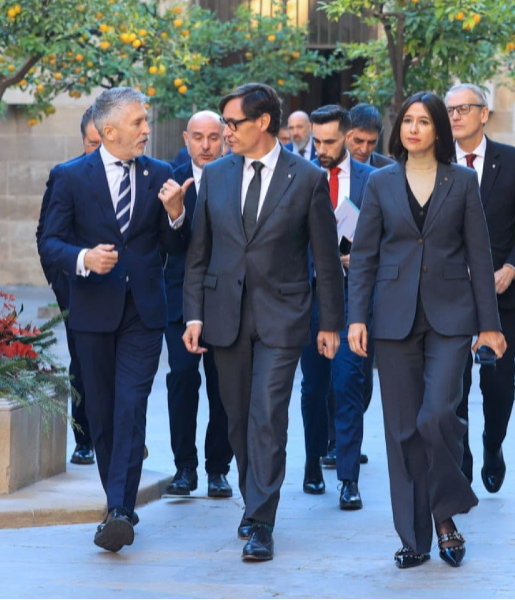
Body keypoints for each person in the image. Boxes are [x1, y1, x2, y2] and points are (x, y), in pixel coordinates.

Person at [183, 83, 344, 562]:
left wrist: (330, 322)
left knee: (268, 415)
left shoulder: (308, 178)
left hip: (283, 315)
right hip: (225, 316)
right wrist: (193, 314)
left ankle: (261, 519)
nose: (225, 131)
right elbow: (198, 254)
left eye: (232, 124)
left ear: (263, 123)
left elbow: (325, 259)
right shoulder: (215, 177)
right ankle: (256, 496)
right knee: (237, 418)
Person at [347, 91, 506, 569]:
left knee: (437, 416)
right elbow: (366, 257)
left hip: (451, 317)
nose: (413, 128)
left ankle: (446, 513)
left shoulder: (462, 181)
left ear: (439, 129)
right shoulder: (379, 182)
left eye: (423, 121)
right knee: (401, 432)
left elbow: (480, 256)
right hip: (393, 319)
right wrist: (357, 316)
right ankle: (416, 537)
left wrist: (489, 327)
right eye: (407, 121)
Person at [39, 87, 190, 553]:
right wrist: (84, 257)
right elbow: (49, 242)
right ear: (109, 131)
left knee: (131, 405)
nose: (148, 130)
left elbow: (175, 248)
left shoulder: (162, 175)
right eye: (139, 122)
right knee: (102, 414)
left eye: (147, 121)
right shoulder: (69, 177)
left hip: (143, 315)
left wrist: (176, 214)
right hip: (92, 313)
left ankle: (121, 510)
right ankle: (116, 502)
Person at [299, 105, 372, 509]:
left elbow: (383, 239)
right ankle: (311, 464)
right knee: (313, 387)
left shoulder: (371, 180)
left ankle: (349, 478)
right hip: (308, 298)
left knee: (348, 383)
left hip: (352, 299)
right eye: (316, 141)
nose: (322, 148)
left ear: (347, 136)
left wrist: (356, 257)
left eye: (329, 141)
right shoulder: (299, 175)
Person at [448, 83, 515, 492]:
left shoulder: (510, 161)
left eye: (464, 108)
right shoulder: (437, 166)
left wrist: (511, 266)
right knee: (453, 385)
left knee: (497, 385)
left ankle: (493, 443)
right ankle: (464, 457)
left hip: (502, 293)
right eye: (450, 109)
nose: (455, 116)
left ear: (484, 113)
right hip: (451, 295)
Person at [164, 111, 233, 499]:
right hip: (179, 297)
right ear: (185, 138)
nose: (206, 146)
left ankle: (218, 469)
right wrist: (176, 213)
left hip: (225, 299)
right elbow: (170, 247)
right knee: (183, 379)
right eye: (198, 137)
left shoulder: (237, 175)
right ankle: (184, 468)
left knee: (223, 387)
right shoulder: (170, 179)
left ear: (224, 137)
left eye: (213, 137)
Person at [35, 107, 101, 466]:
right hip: (75, 289)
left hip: (117, 290)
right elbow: (45, 235)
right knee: (82, 363)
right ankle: (84, 437)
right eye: (92, 143)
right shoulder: (65, 176)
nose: (98, 150)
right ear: (83, 140)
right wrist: (61, 283)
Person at [346, 104, 395, 168]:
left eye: (372, 142)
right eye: (358, 141)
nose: (364, 150)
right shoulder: (330, 165)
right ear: (346, 135)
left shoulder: (391, 169)